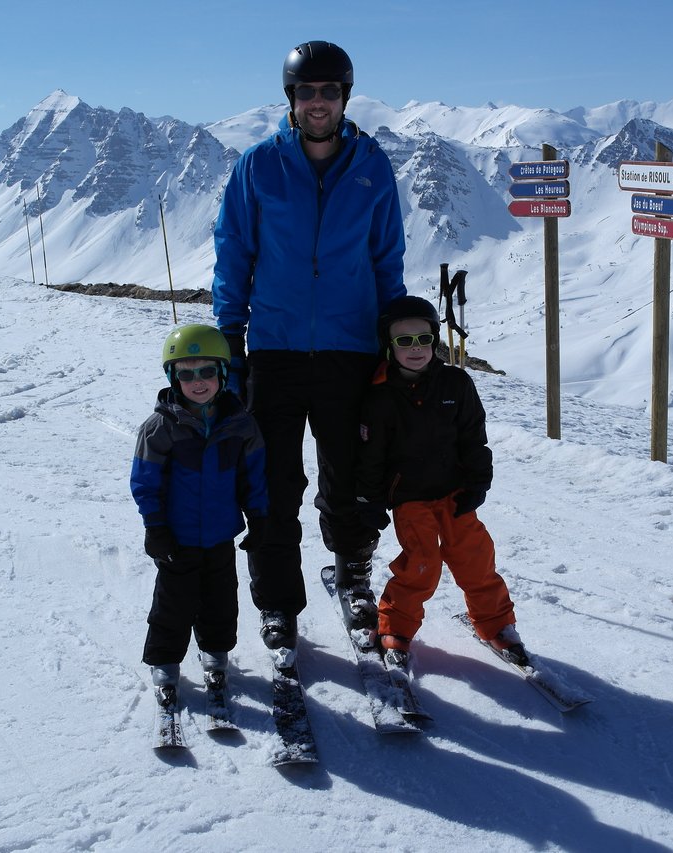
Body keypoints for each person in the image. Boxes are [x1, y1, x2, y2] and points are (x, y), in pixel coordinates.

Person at [211, 40, 406, 663]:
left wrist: (389, 342)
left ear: (344, 98)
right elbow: (234, 256)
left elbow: (386, 261)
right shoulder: (258, 168)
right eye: (306, 92)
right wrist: (231, 344)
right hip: (275, 349)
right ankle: (276, 603)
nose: (317, 102)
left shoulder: (373, 167)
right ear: (290, 100)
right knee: (273, 482)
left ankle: (352, 577)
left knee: (349, 476)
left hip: (350, 349)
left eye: (329, 91)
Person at [353, 296, 529, 669]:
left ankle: (497, 624)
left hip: (455, 493)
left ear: (435, 340)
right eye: (404, 341)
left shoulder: (455, 383)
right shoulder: (380, 395)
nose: (415, 349)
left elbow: (473, 438)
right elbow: (372, 454)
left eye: (423, 339)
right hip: (410, 498)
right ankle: (396, 626)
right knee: (421, 565)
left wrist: (477, 483)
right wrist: (369, 499)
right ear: (389, 344)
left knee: (476, 560)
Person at [130, 324, 269, 699]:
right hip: (178, 535)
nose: (198, 381)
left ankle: (215, 652)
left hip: (222, 533)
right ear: (173, 378)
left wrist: (258, 517)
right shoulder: (160, 428)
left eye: (207, 371)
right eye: (186, 374)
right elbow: (145, 482)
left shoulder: (241, 426)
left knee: (221, 599)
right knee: (174, 602)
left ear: (223, 373)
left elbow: (253, 477)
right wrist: (155, 526)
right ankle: (164, 661)